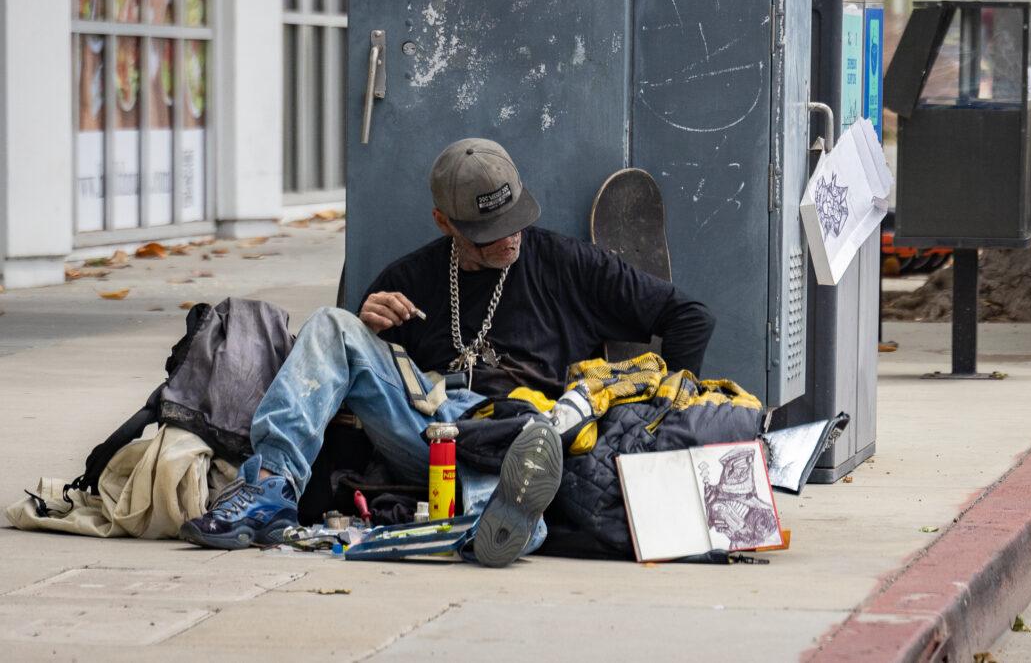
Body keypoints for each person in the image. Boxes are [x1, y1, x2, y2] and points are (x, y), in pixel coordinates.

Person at [181, 138, 715, 566]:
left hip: (526, 432)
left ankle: (506, 523)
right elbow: (347, 400)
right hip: (432, 429)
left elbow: (690, 316)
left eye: (515, 222)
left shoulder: (568, 264)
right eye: (489, 234)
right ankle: (270, 486)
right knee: (331, 325)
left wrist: (667, 417)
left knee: (517, 464)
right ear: (445, 223)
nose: (509, 241)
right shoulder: (409, 279)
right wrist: (373, 333)